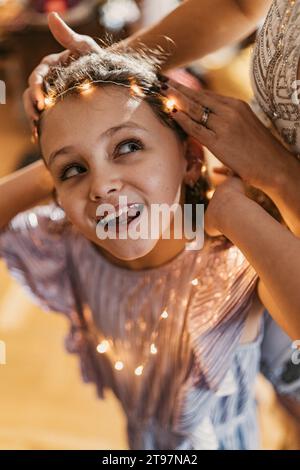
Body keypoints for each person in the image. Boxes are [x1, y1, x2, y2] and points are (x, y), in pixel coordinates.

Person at [0, 48, 294, 450]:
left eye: (127, 147)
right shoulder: (70, 244)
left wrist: (234, 215)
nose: (102, 185)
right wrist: (57, 143)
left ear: (190, 158)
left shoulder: (231, 258)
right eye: (74, 170)